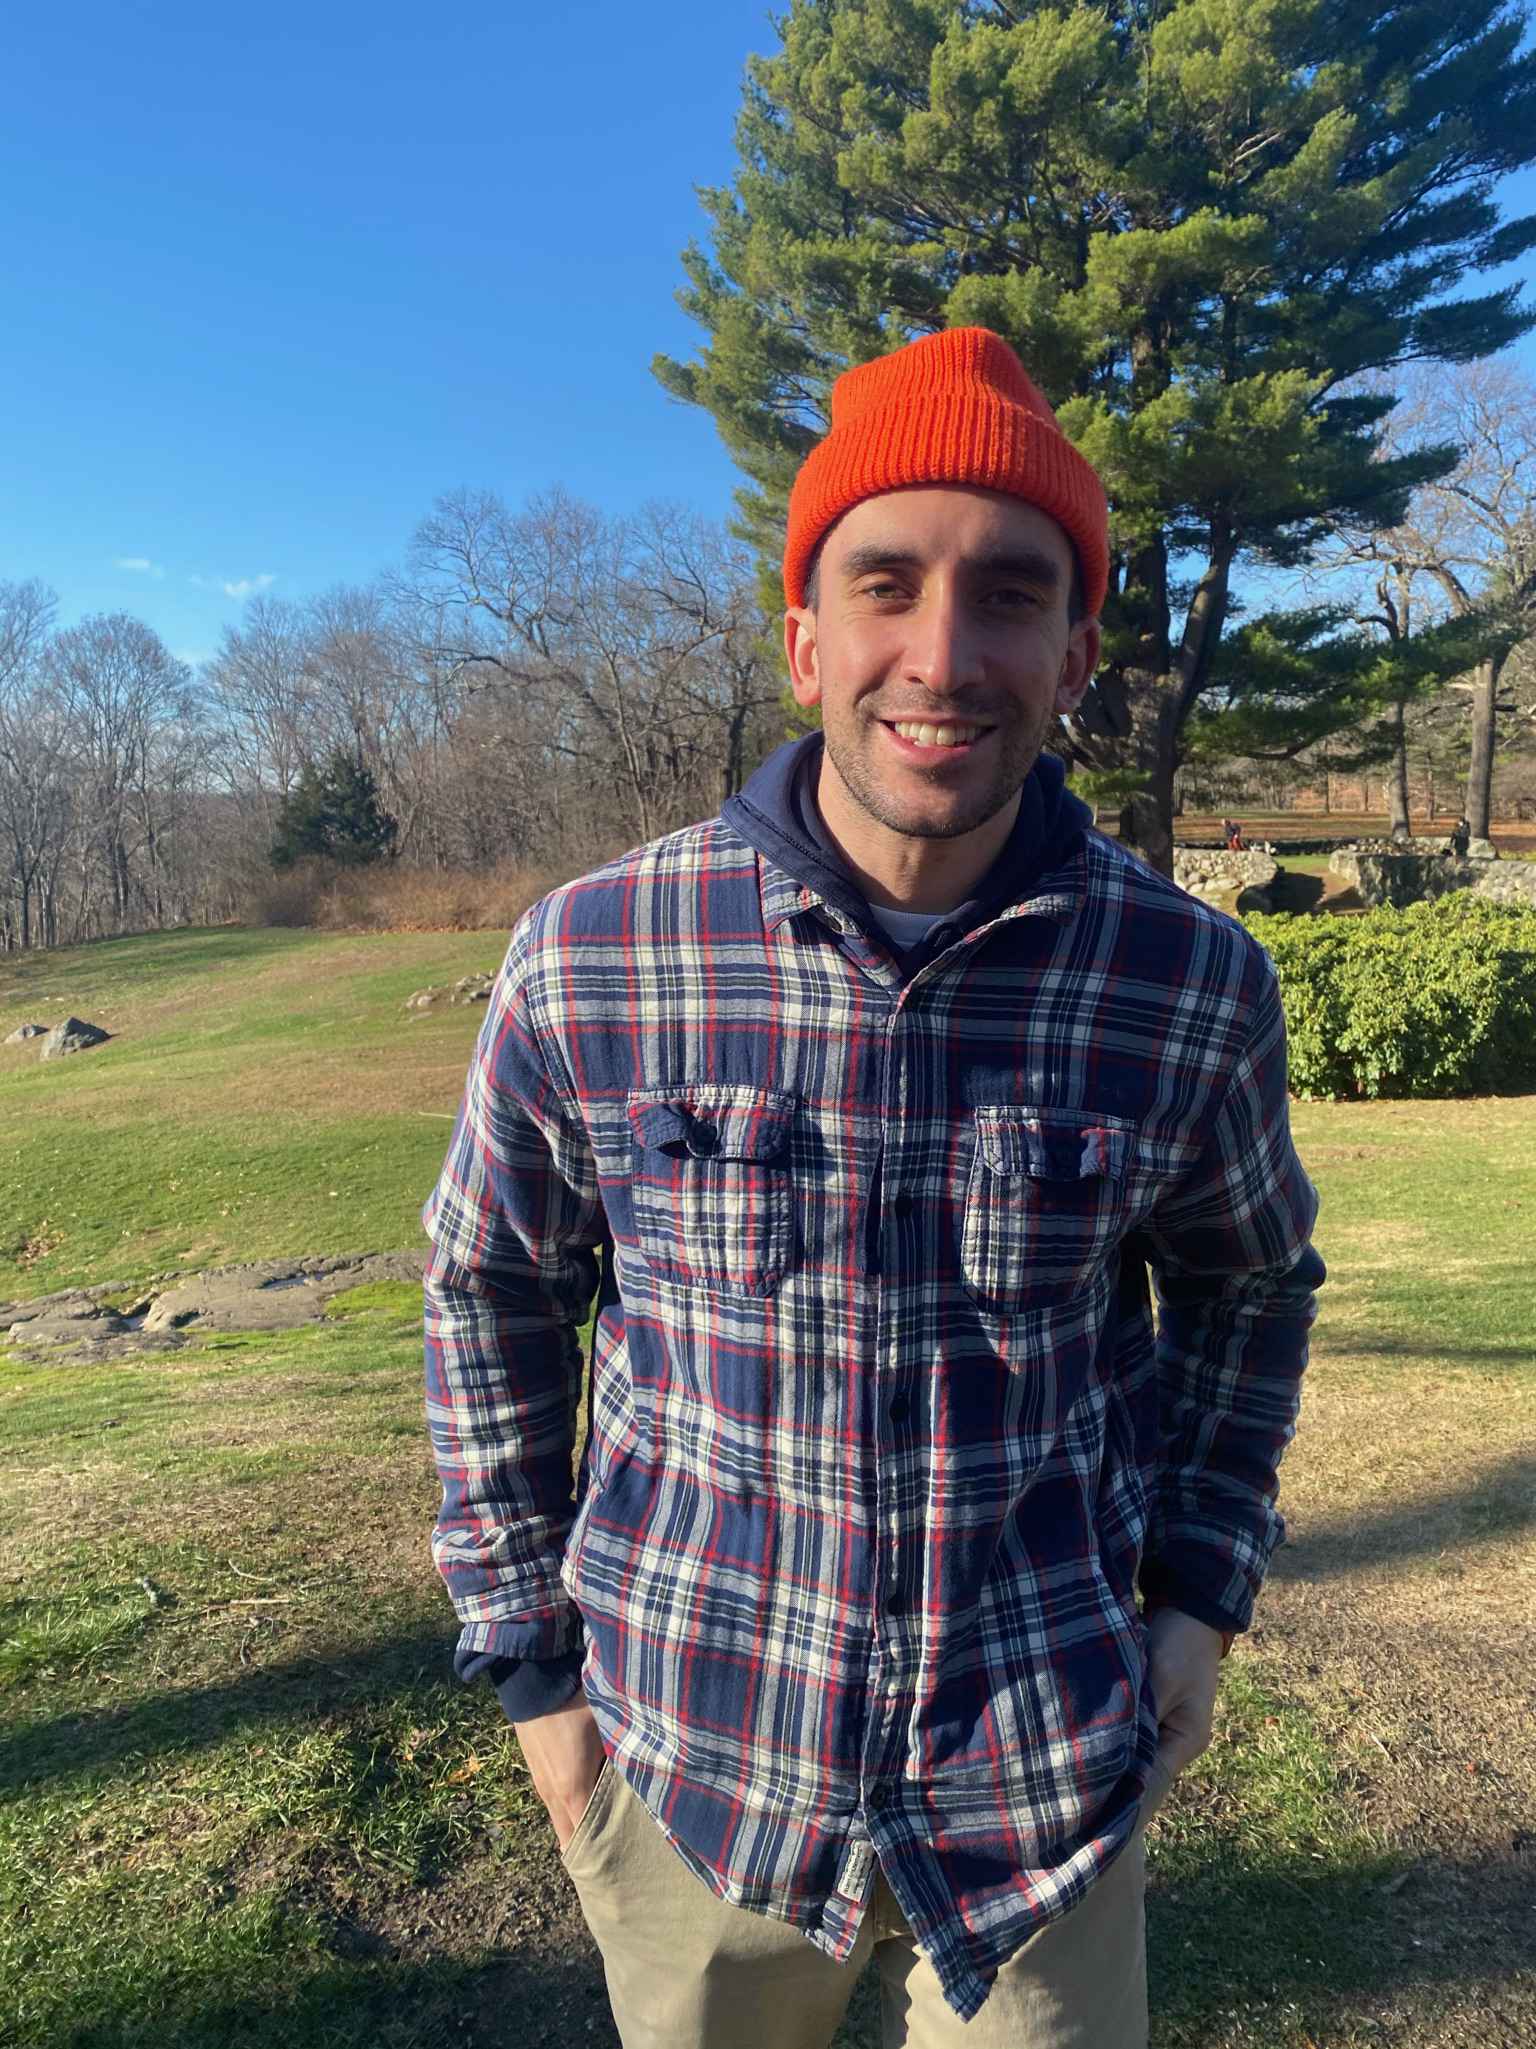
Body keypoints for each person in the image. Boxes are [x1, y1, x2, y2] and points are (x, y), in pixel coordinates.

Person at [423, 326, 1324, 2048]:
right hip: (693, 1771)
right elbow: (494, 1292)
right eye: (886, 583)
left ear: (1076, 653)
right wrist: (536, 1675)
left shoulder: (1186, 981)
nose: (942, 653)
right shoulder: (593, 957)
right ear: (804, 638)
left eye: (1010, 594)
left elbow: (1250, 1282)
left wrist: (1202, 1589)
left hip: (1043, 1791)